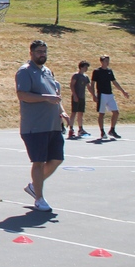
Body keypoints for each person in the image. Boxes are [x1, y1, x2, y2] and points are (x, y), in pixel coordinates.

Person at [15, 40, 69, 212]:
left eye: (44, 51)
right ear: (31, 53)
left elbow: (56, 95)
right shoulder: (25, 71)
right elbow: (22, 95)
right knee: (38, 162)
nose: (42, 54)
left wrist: (62, 111)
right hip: (35, 126)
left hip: (53, 125)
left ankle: (34, 185)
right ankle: (39, 198)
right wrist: (46, 98)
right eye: (39, 51)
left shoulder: (47, 72)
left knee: (57, 159)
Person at [89, 55, 129, 139]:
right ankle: (102, 131)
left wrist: (123, 91)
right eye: (106, 61)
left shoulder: (109, 71)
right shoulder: (96, 71)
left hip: (109, 94)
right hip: (101, 94)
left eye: (108, 61)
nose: (107, 62)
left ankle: (112, 130)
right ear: (102, 62)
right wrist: (93, 95)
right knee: (101, 113)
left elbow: (114, 82)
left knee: (116, 112)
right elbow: (92, 84)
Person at [68, 61, 91, 139]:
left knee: (81, 113)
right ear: (81, 67)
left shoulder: (86, 77)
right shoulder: (76, 76)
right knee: (74, 112)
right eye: (85, 67)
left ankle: (80, 129)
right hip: (76, 96)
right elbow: (72, 85)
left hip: (82, 97)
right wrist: (74, 95)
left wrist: (94, 95)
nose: (86, 68)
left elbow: (88, 86)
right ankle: (71, 129)